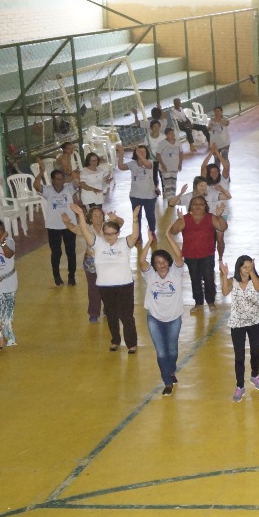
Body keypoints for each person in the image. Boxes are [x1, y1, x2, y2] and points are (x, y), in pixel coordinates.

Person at [70, 204, 140, 352]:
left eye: (113, 233)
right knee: (112, 315)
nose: (110, 237)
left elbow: (134, 235)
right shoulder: (98, 244)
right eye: (107, 234)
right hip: (105, 286)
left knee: (126, 316)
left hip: (125, 285)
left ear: (118, 233)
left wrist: (134, 219)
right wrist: (81, 215)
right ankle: (115, 340)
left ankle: (131, 343)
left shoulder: (124, 244)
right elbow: (84, 231)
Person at [138, 236, 188, 396]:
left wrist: (168, 237)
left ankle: (171, 370)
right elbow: (141, 261)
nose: (162, 265)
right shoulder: (150, 275)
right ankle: (167, 381)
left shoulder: (176, 272)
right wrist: (148, 242)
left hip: (174, 318)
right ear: (154, 265)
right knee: (161, 352)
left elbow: (179, 256)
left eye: (164, 261)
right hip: (154, 319)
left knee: (172, 350)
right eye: (158, 262)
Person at [221, 255, 259, 402]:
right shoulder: (232, 282)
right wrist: (224, 275)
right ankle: (240, 386)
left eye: (250, 266)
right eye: (245, 267)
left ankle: (255, 375)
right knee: (239, 356)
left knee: (255, 351)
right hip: (237, 323)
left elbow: (258, 288)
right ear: (239, 268)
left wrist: (252, 272)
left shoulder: (256, 280)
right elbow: (225, 292)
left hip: (255, 321)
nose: (247, 270)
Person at [35, 168, 78, 287]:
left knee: (71, 251)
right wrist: (41, 172)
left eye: (62, 178)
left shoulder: (69, 188)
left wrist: (72, 174)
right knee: (56, 252)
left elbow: (77, 182)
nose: (60, 181)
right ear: (52, 180)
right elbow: (36, 185)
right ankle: (57, 277)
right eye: (57, 179)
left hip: (69, 225)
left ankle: (71, 276)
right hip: (53, 226)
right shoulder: (48, 190)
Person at [0, 220, 16, 348]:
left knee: (3, 313)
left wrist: (2, 242)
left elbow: (8, 254)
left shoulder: (9, 242)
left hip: (8, 283)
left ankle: (1, 338)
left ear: (4, 232)